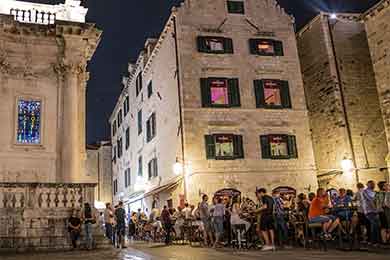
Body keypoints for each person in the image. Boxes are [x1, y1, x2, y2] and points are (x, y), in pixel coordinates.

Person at [362, 180, 380, 245]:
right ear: (367, 184)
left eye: (374, 184)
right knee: (374, 226)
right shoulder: (365, 191)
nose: (373, 185)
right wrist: (375, 209)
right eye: (371, 184)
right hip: (369, 211)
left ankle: (374, 241)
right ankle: (373, 241)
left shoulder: (374, 192)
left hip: (374, 211)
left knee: (375, 226)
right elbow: (370, 200)